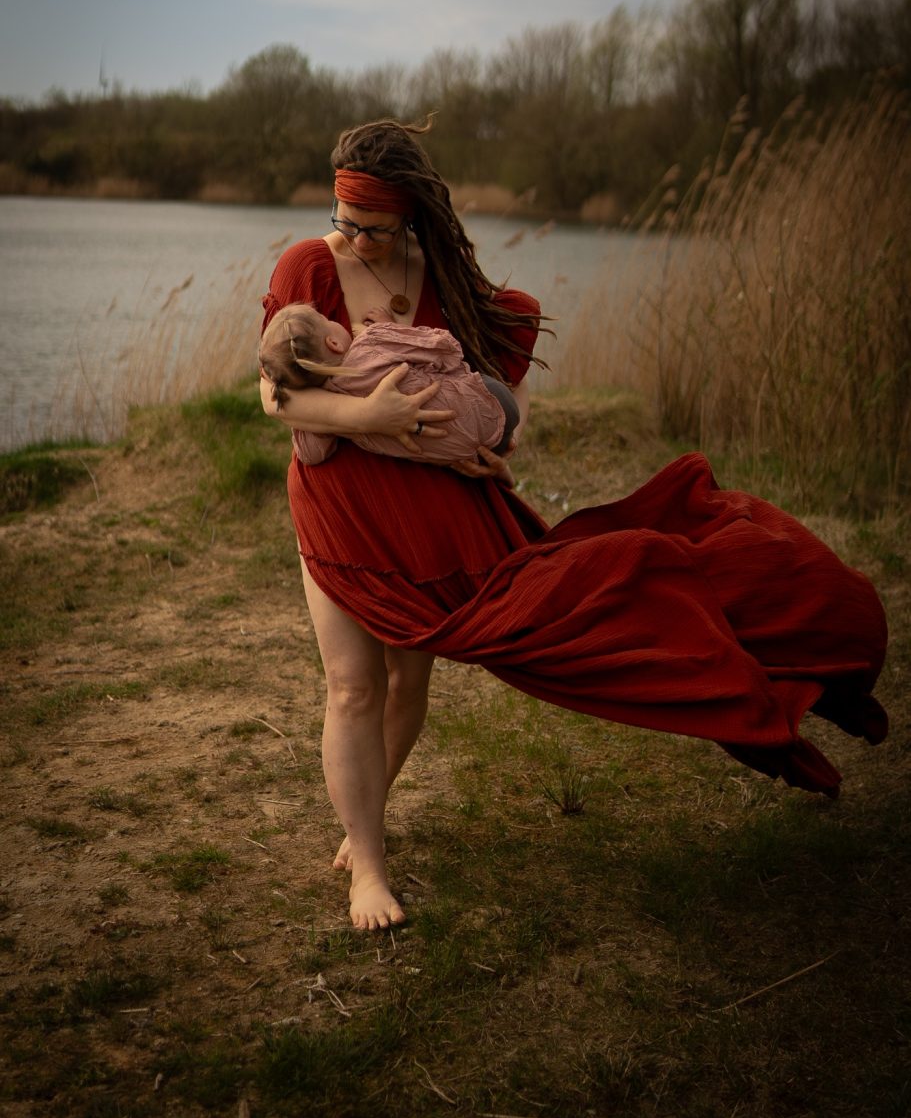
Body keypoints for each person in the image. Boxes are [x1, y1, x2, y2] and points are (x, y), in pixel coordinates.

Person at [261, 118, 888, 932]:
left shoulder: (439, 269)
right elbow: (272, 395)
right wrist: (366, 410)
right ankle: (368, 866)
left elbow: (500, 390)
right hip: (342, 498)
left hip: (433, 513)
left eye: (373, 229)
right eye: (346, 222)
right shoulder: (308, 265)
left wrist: (498, 442)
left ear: (410, 215)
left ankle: (362, 812)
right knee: (351, 683)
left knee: (410, 680)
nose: (354, 240)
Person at [258, 301, 519, 465]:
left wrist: (293, 392)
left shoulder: (327, 419)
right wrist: (392, 327)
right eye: (329, 322)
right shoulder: (372, 342)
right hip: (495, 402)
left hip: (460, 453)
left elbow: (310, 455)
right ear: (333, 343)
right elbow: (445, 348)